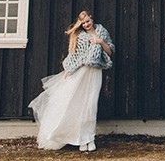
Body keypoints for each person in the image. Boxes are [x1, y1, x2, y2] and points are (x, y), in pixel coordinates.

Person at [29, 9, 114, 151]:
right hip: (81, 72)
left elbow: (110, 51)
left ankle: (89, 138)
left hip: (95, 72)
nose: (86, 24)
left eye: (88, 21)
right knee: (78, 104)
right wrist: (68, 71)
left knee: (90, 106)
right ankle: (81, 139)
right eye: (83, 22)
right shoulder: (80, 37)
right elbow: (74, 56)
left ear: (92, 19)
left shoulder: (102, 32)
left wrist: (100, 41)